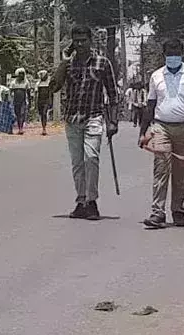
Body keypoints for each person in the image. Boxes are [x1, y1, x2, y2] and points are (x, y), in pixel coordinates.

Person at [138, 38, 184, 229]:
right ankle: (157, 213)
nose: (173, 56)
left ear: (182, 53)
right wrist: (143, 132)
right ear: (164, 54)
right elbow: (151, 104)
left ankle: (178, 210)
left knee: (180, 172)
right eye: (169, 53)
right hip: (161, 127)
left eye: (176, 52)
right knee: (161, 169)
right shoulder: (156, 76)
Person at [51, 24, 119, 221]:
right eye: (76, 41)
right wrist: (63, 62)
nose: (80, 44)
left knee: (91, 158)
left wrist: (113, 121)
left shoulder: (102, 63)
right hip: (72, 118)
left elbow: (113, 94)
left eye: (83, 40)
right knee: (77, 163)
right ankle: (81, 201)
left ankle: (92, 201)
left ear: (90, 41)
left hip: (94, 117)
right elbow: (54, 87)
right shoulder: (69, 64)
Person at [10, 68, 31, 135]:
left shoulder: (26, 82)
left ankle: (21, 129)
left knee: (22, 114)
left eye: (23, 74)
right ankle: (19, 127)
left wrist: (29, 101)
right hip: (15, 101)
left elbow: (28, 92)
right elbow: (10, 92)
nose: (21, 76)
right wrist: (9, 100)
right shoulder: (13, 82)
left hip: (23, 101)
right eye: (20, 74)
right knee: (17, 114)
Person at [35, 70, 52, 135]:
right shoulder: (38, 84)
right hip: (40, 100)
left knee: (44, 113)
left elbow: (50, 93)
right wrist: (35, 102)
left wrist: (50, 101)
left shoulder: (49, 83)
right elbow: (36, 94)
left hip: (46, 100)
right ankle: (43, 127)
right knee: (42, 114)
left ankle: (44, 129)